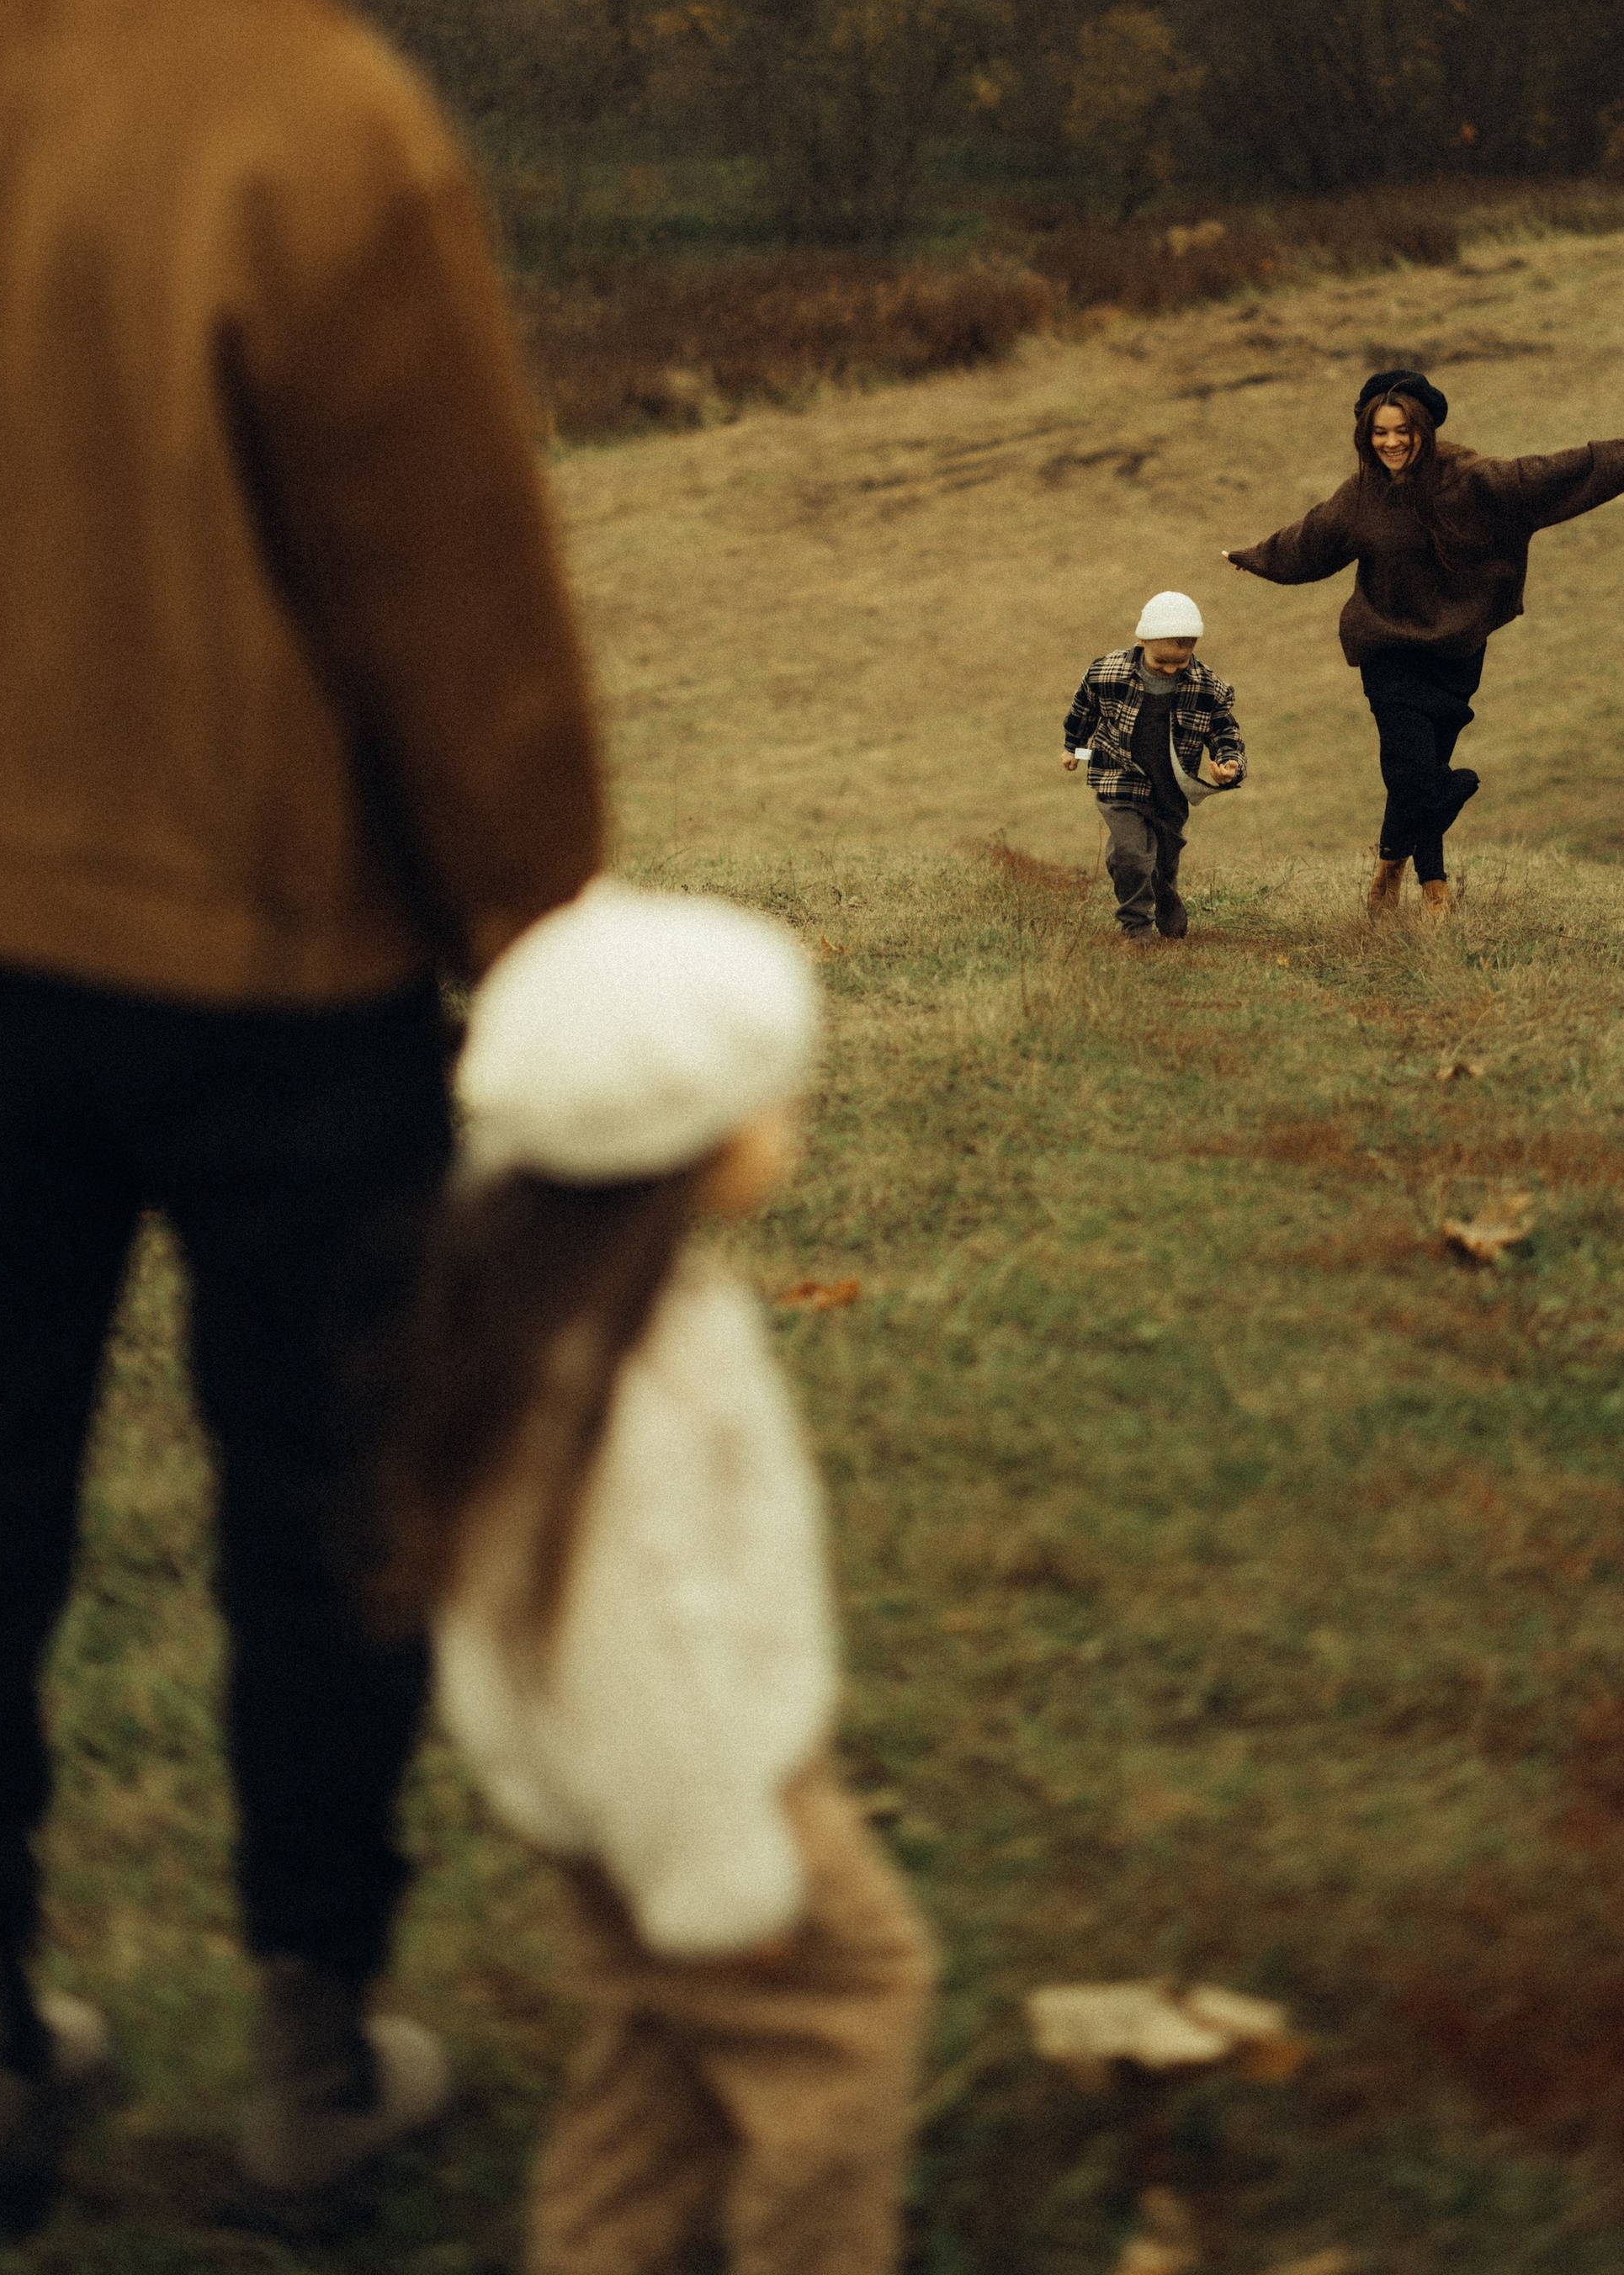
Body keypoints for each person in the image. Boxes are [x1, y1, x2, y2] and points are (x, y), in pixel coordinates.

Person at [0, 0, 602, 2234]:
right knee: (321, 1492)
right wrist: (546, 928)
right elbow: (456, 619)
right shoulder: (329, 116)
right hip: (272, 971)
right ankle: (316, 2048)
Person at [379, 880, 937, 2275]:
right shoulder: (612, 1398)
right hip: (708, 1811)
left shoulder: (553, 1309)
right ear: (678, 1146)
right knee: (849, 2018)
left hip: (617, 1814)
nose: (788, 1128)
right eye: (773, 1103)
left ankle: (596, 2246)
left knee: (659, 2046)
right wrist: (722, 1883)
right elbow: (631, 1655)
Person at [1223, 370, 1624, 923]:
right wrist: (1253, 557)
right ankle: (1435, 889)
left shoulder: (1472, 481)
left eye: (1402, 431)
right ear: (1366, 436)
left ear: (1423, 429)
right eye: (1379, 433)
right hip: (1386, 646)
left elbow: (1555, 475)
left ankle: (1390, 867)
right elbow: (1309, 541)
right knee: (1413, 768)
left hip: (1455, 649)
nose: (1391, 443)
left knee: (1422, 769)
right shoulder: (1361, 496)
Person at [1062, 589, 1246, 942]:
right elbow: (1084, 709)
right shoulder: (1107, 672)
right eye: (1161, 663)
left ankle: (1164, 895)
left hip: (1171, 788)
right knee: (1131, 854)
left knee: (1164, 855)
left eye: (1180, 663)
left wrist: (1229, 763)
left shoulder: (1208, 688)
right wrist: (1074, 746)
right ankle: (1136, 926)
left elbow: (1225, 732)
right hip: (1119, 777)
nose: (1171, 670)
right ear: (1141, 639)